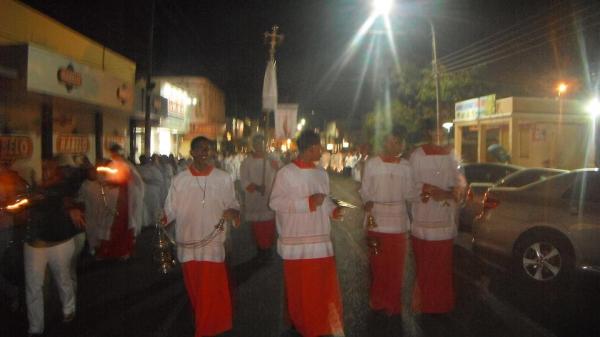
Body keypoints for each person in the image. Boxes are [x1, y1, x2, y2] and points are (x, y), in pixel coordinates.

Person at [269, 130, 344, 337]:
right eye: (319, 147)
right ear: (310, 148)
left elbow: (325, 200)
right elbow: (275, 202)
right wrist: (307, 203)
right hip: (297, 244)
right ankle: (303, 327)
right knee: (301, 292)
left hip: (320, 241)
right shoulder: (286, 173)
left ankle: (320, 325)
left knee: (322, 289)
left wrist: (334, 210)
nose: (322, 150)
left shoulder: (321, 172)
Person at [162, 136, 240, 337]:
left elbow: (233, 203)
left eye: (209, 149)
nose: (206, 153)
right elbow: (169, 209)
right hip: (188, 243)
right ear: (192, 153)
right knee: (196, 291)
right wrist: (161, 219)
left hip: (213, 243)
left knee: (210, 292)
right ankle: (208, 323)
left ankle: (205, 329)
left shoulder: (223, 178)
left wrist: (233, 212)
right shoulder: (179, 180)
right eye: (201, 149)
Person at [409, 119, 466, 314]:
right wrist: (427, 188)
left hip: (444, 219)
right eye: (436, 131)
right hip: (423, 220)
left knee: (442, 267)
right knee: (425, 266)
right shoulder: (417, 155)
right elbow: (409, 185)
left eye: (443, 131)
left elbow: (462, 184)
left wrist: (450, 193)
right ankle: (425, 303)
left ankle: (442, 304)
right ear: (429, 132)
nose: (440, 134)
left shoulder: (453, 155)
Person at [24, 157, 85, 336]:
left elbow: (66, 196)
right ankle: (35, 327)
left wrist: (71, 208)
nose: (45, 171)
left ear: (57, 170)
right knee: (33, 286)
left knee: (63, 277)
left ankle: (68, 308)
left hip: (60, 242)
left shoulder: (64, 186)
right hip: (35, 243)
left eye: (49, 168)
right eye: (42, 168)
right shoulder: (33, 189)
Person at [360, 126, 416, 316]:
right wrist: (367, 201)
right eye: (390, 141)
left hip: (398, 225)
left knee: (396, 266)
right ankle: (377, 300)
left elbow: (410, 193)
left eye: (397, 142)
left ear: (401, 144)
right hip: (375, 223)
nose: (393, 145)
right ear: (384, 142)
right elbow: (365, 189)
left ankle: (393, 304)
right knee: (377, 265)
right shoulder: (372, 164)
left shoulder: (406, 166)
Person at [94, 144, 144, 260]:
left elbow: (127, 180)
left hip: (123, 200)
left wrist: (112, 183)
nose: (113, 155)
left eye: (114, 153)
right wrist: (104, 181)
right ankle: (107, 251)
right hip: (111, 198)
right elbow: (106, 178)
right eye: (112, 153)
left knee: (121, 224)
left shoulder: (125, 165)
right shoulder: (111, 164)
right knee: (108, 224)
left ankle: (123, 250)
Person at [239, 134, 278, 258]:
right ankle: (260, 250)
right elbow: (244, 181)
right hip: (254, 200)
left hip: (269, 198)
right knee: (258, 228)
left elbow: (281, 173)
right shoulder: (247, 162)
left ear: (264, 144)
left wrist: (276, 166)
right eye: (256, 143)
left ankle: (268, 249)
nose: (259, 145)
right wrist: (256, 187)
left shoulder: (272, 159)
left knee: (269, 226)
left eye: (261, 143)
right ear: (253, 145)